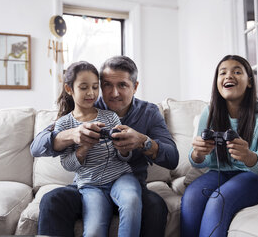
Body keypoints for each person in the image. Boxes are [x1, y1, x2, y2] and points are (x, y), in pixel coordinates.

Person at [31, 55, 179, 237]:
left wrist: (143, 142)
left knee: (156, 205)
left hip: (128, 183)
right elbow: (36, 147)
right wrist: (72, 135)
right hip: (90, 184)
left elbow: (173, 158)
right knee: (52, 200)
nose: (114, 93)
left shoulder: (148, 112)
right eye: (107, 84)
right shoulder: (87, 107)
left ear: (135, 86)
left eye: (122, 85)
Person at [180, 55, 258, 237]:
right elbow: (198, 162)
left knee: (218, 200)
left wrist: (249, 156)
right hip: (220, 172)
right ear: (217, 82)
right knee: (191, 198)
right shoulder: (209, 112)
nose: (228, 76)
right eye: (223, 73)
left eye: (237, 72)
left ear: (249, 82)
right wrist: (198, 153)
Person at [53, 61, 142, 236]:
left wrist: (123, 148)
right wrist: (83, 148)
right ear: (69, 89)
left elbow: (125, 157)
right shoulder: (64, 124)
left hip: (121, 177)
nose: (91, 93)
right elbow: (68, 165)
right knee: (93, 231)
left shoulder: (110, 117)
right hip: (90, 185)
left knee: (131, 200)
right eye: (84, 87)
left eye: (95, 87)